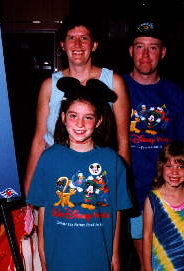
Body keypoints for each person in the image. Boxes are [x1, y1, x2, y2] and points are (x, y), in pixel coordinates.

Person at [26, 77, 132, 271]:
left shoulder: (112, 161)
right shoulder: (49, 158)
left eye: (88, 117)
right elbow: (43, 208)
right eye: (74, 116)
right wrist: (42, 250)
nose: (80, 124)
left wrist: (115, 253)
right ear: (63, 117)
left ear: (99, 120)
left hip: (98, 253)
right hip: (60, 252)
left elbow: (117, 211)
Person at [24, 15, 130, 196]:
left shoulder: (114, 82)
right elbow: (39, 140)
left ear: (94, 45)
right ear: (62, 45)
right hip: (56, 174)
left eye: (84, 38)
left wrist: (121, 188)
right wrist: (28, 188)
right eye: (71, 38)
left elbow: (123, 141)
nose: (78, 45)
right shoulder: (49, 85)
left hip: (97, 176)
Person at [123, 20, 184, 271]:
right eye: (139, 47)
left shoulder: (176, 95)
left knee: (167, 264)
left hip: (167, 194)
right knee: (144, 267)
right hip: (129, 194)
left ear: (162, 53)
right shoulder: (116, 89)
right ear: (130, 50)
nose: (145, 54)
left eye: (153, 48)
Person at [143, 140, 184, 271]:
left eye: (180, 166)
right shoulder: (153, 199)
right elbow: (146, 236)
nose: (174, 172)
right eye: (169, 166)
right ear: (161, 167)